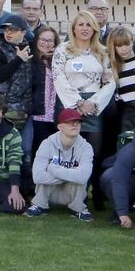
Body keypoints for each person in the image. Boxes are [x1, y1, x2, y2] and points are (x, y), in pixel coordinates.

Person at [51, 9, 114, 160]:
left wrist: (91, 103)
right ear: (74, 28)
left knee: (93, 154)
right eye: (80, 24)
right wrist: (78, 102)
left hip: (93, 107)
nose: (85, 28)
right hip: (68, 105)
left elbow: (111, 81)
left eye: (88, 25)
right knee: (67, 153)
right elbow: (58, 77)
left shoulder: (103, 52)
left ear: (94, 29)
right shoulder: (63, 49)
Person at [26, 108, 94, 221]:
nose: (74, 125)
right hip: (50, 191)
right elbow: (37, 177)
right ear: (60, 126)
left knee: (80, 181)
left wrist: (53, 169)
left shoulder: (86, 147)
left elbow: (83, 177)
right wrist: (71, 174)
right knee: (71, 177)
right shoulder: (47, 144)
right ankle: (39, 205)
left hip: (71, 191)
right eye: (69, 122)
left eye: (77, 122)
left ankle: (79, 209)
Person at [0, 13, 35, 169]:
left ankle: (24, 182)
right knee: (2, 152)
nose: (8, 33)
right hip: (4, 110)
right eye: (6, 29)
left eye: (13, 30)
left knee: (26, 151)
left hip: (25, 110)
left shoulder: (29, 48)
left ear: (23, 32)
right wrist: (18, 60)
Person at [105, 26, 135, 147]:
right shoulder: (111, 65)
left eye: (127, 44)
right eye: (119, 46)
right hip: (125, 112)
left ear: (132, 41)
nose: (124, 49)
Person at [28, 26, 61, 176]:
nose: (46, 44)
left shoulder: (59, 61)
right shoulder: (31, 61)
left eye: (50, 41)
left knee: (54, 155)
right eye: (42, 40)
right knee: (38, 152)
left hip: (56, 114)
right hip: (39, 114)